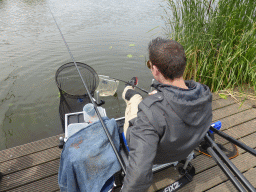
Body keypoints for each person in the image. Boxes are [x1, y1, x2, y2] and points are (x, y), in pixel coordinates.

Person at [121, 37, 212, 191]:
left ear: (155, 70)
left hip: (159, 155)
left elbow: (138, 176)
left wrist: (150, 102)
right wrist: (162, 94)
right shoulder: (204, 93)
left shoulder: (149, 111)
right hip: (185, 147)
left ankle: (128, 92)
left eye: (149, 65)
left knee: (135, 100)